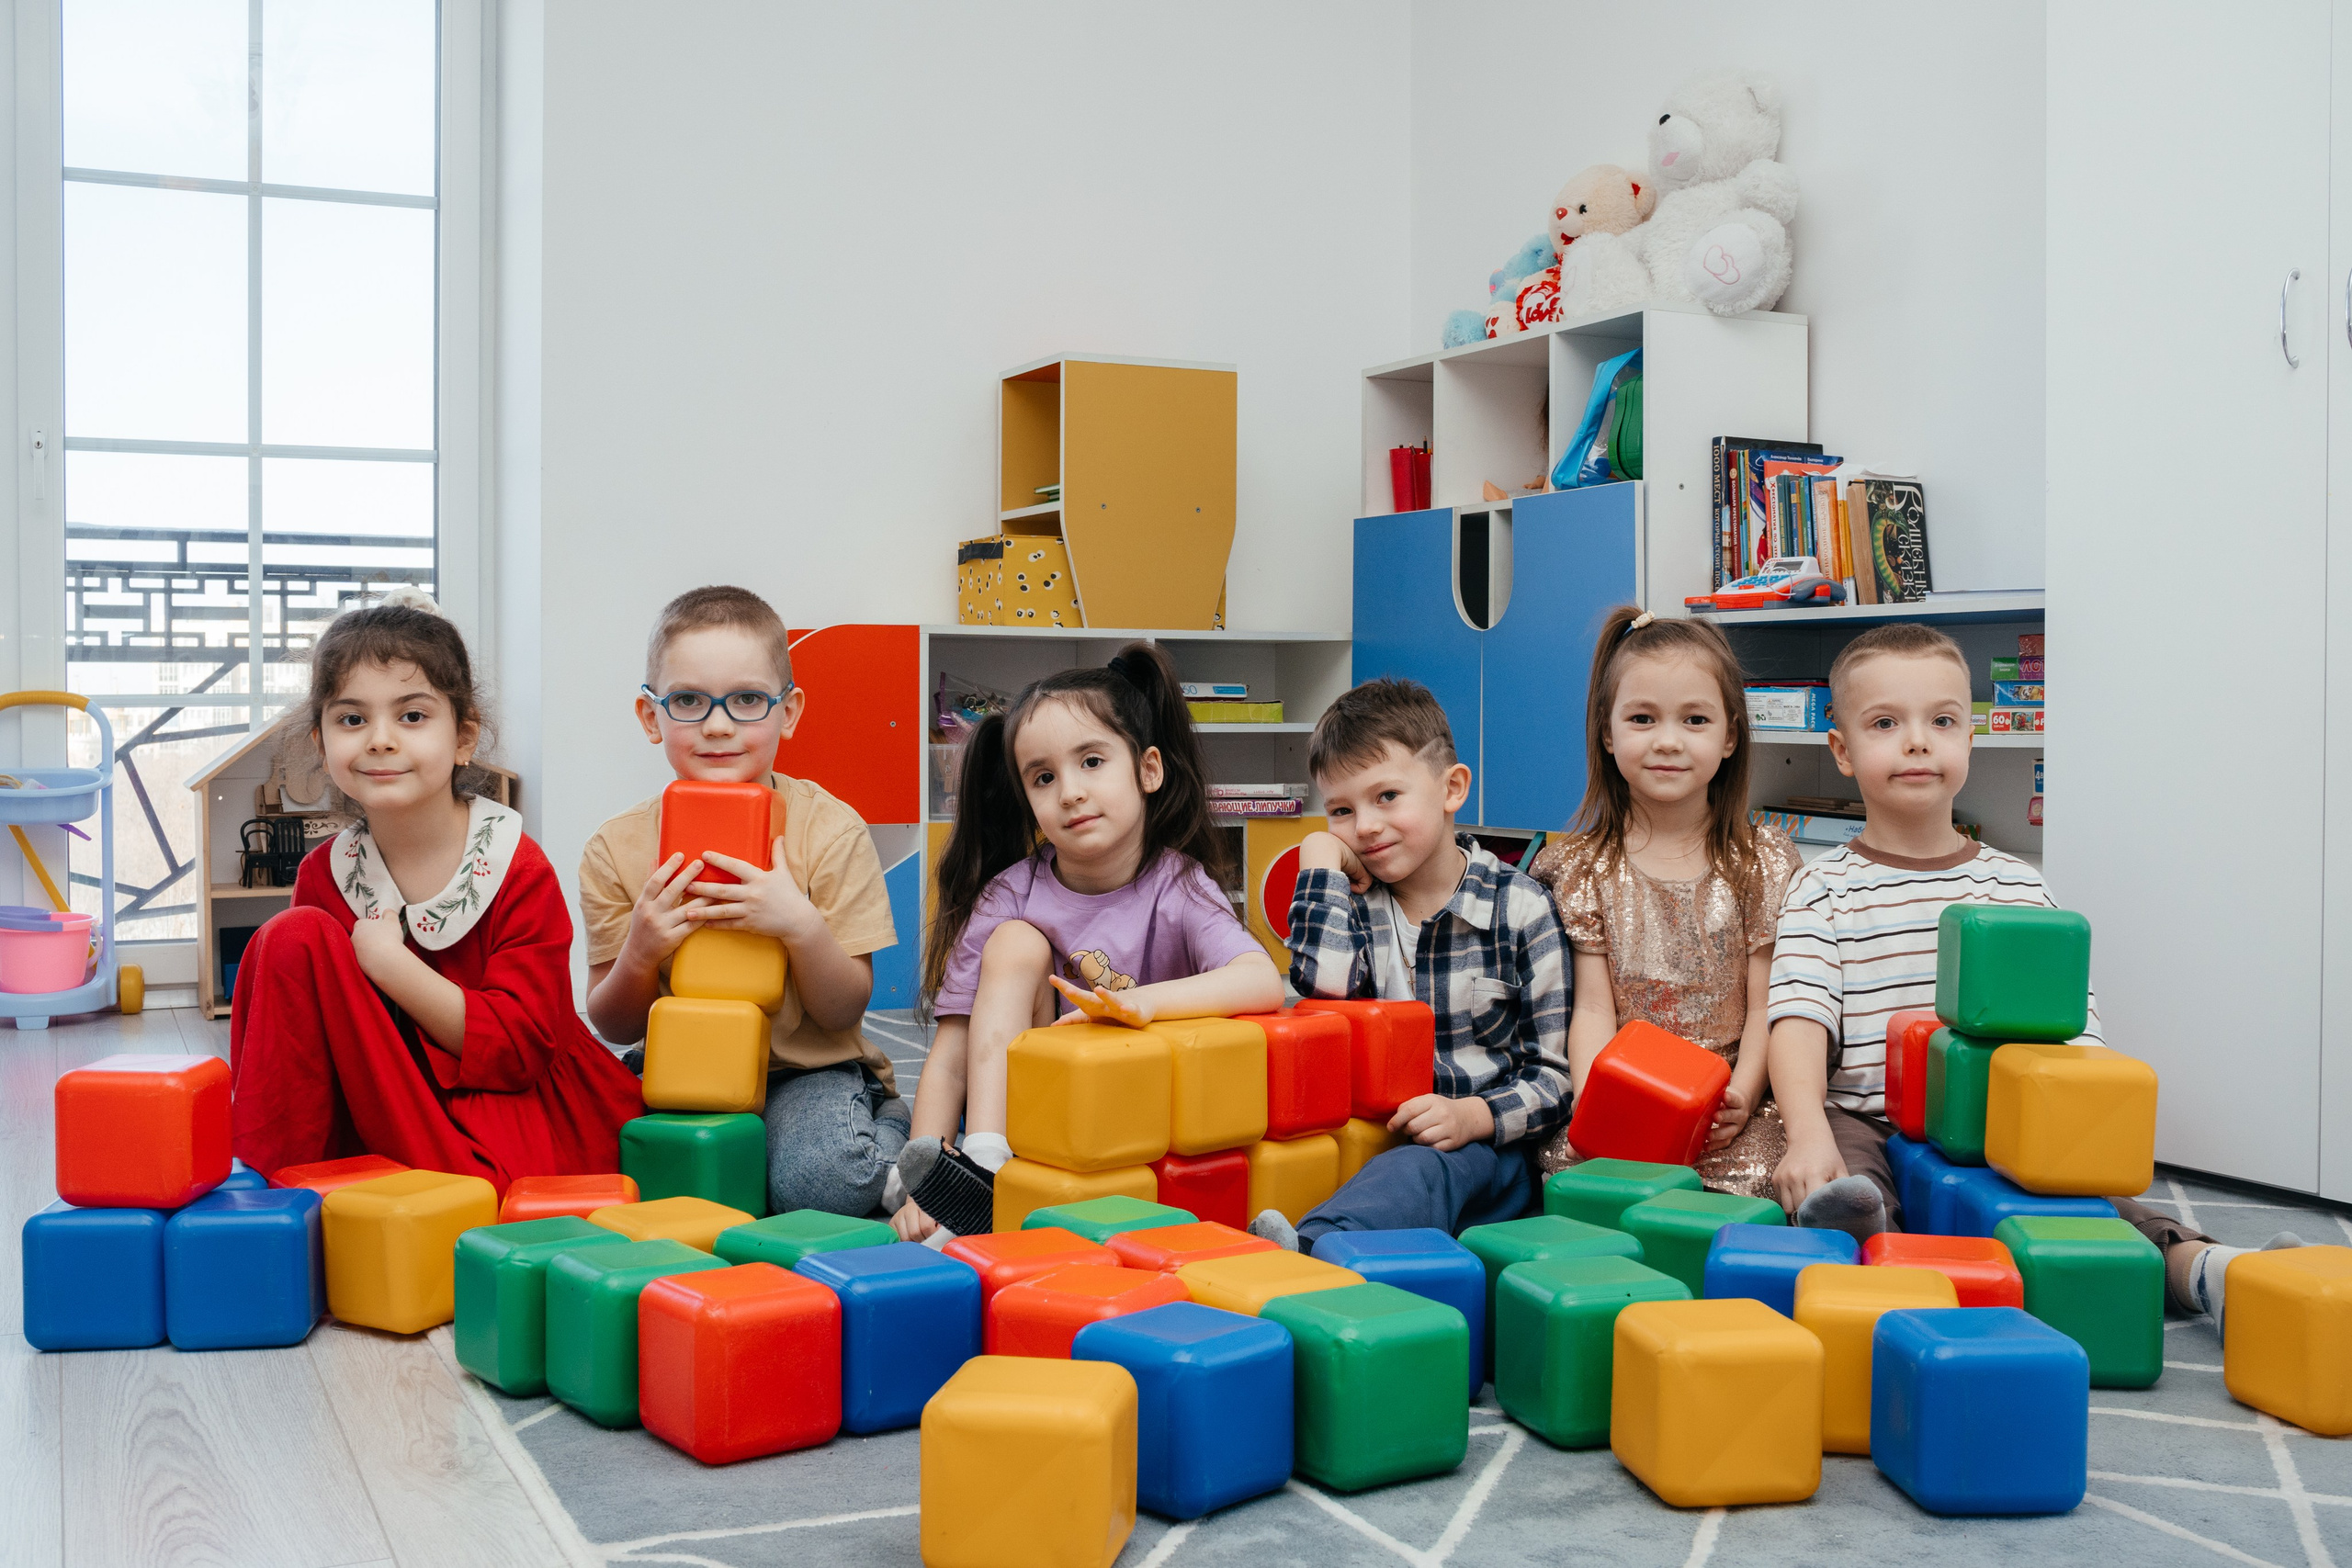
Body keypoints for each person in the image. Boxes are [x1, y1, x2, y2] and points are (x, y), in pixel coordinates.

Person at [1764, 622, 2294, 1314]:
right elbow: (1799, 1018)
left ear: (1969, 741)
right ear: (1842, 749)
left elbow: (2069, 1029)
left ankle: (2207, 1270)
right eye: (1886, 722)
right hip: (1865, 1113)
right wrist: (1804, 1131)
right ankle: (1876, 1258)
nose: (1918, 739)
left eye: (1943, 720)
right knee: (1849, 1178)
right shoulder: (1821, 884)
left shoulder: (2017, 885)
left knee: (2093, 1206)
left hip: (1997, 1121)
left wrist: (2075, 1130)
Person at [229, 592, 644, 1189]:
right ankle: (269, 1203)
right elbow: (304, 1048)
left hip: (506, 1118)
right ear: (321, 746)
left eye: (412, 716)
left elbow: (518, 1051)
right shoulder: (324, 875)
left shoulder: (515, 866)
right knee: (291, 937)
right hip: (387, 1107)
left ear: (464, 737)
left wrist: (390, 964)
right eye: (351, 719)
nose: (379, 738)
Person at [894, 642, 1283, 1240]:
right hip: (1035, 1132)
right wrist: (929, 1181)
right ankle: (982, 1169)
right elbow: (950, 1062)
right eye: (1044, 777)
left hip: (1147, 1126)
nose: (1070, 791)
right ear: (1027, 798)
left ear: (1147, 769)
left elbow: (1261, 981)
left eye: (1092, 762)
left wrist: (1147, 1003)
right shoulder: (1011, 895)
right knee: (1017, 942)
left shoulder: (1179, 885)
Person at [578, 585, 903, 1217]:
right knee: (584, 1158)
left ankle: (887, 1126)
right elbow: (613, 1023)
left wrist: (799, 925)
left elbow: (843, 1010)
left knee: (822, 1183)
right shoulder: (614, 848)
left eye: (748, 700)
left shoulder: (831, 831)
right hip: (678, 1070)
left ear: (789, 711)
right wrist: (642, 949)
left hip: (806, 1071)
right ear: (652, 717)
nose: (719, 724)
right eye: (690, 701)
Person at [1266, 677, 1572, 1250]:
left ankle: (1311, 1250)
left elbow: (1556, 1078)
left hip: (1487, 1151)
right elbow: (1321, 986)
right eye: (1340, 810)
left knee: (1422, 1168)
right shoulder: (1353, 905)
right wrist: (1319, 855)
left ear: (1452, 788)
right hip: (1375, 1138)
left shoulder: (1520, 907)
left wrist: (1472, 1117)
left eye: (1387, 797)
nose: (1365, 827)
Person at [1529, 608, 1798, 1201]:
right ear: (1607, 732)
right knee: (1580, 1183)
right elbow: (1593, 1010)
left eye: (1695, 719)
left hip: (1733, 1112)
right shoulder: (1580, 867)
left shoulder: (1763, 863)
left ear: (1730, 736)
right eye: (1642, 719)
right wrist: (1600, 1099)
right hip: (1622, 1101)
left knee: (1760, 1184)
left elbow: (1764, 1010)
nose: (1668, 741)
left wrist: (1743, 1097)